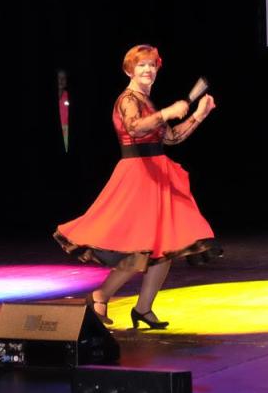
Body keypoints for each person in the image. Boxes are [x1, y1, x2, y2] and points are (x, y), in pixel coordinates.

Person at [53, 44, 218, 329]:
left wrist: (198, 115)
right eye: (142, 65)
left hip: (158, 173)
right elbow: (134, 127)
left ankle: (143, 308)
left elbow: (171, 138)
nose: (148, 69)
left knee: (167, 245)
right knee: (138, 249)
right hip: (139, 175)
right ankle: (100, 295)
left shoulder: (147, 101)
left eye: (152, 65)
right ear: (129, 70)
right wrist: (166, 112)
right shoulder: (128, 99)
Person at [56, 68, 70, 152]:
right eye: (59, 78)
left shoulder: (68, 96)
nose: (61, 80)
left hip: (66, 130)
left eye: (64, 78)